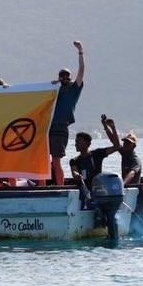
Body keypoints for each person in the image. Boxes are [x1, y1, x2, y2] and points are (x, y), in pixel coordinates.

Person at [49, 41, 85, 185]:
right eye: (61, 77)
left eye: (66, 77)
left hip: (60, 128)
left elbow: (82, 70)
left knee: (56, 160)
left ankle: (60, 187)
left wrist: (80, 51)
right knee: (43, 160)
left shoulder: (74, 89)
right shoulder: (54, 90)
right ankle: (42, 187)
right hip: (47, 128)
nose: (64, 79)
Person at [102, 116, 142, 185]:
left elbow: (132, 173)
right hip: (124, 188)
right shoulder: (124, 153)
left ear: (134, 146)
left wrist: (122, 184)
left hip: (133, 189)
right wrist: (108, 127)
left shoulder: (135, 160)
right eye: (125, 142)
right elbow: (115, 142)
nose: (125, 144)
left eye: (128, 143)